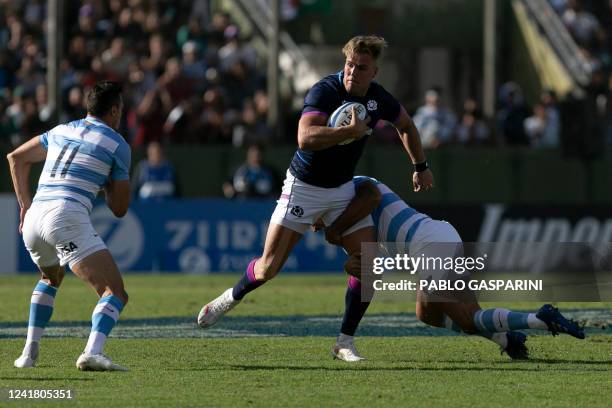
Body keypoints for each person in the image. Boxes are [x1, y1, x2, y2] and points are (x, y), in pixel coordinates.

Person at [197, 35, 434, 329]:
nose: (352, 72)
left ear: (373, 73)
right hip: (304, 187)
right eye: (349, 64)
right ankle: (228, 298)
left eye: (361, 68)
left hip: (342, 190)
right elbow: (305, 138)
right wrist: (348, 133)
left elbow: (406, 125)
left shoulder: (378, 98)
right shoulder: (325, 90)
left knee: (370, 266)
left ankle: (345, 341)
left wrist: (420, 166)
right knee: (268, 268)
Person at [316, 176, 585, 361]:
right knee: (427, 314)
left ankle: (540, 318)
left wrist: (336, 233)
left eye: (310, 215)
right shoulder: (346, 216)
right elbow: (371, 264)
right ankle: (507, 341)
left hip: (431, 244)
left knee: (469, 318)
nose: (311, 224)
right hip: (436, 240)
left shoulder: (357, 189)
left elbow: (371, 197)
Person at [7, 81, 132, 371]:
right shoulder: (117, 144)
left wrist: (24, 206)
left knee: (51, 278)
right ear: (114, 110)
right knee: (114, 292)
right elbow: (119, 209)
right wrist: (109, 183)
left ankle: (28, 353)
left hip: (35, 216)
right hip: (65, 215)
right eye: (121, 110)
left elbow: (16, 158)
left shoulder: (61, 130)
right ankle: (92, 352)